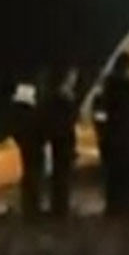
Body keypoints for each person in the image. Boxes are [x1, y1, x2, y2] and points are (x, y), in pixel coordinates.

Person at [98, 52, 129, 221]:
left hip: (113, 139)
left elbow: (102, 113)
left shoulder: (109, 87)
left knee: (114, 178)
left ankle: (114, 209)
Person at [43, 66, 79, 218]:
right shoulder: (64, 98)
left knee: (61, 174)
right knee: (62, 175)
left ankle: (59, 206)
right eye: (72, 77)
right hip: (63, 139)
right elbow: (68, 120)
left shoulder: (57, 97)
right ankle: (60, 208)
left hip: (60, 139)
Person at [10, 69, 46, 218]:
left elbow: (16, 132)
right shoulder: (31, 114)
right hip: (34, 147)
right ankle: (33, 208)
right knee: (34, 176)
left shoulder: (18, 115)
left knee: (29, 176)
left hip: (26, 146)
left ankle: (29, 207)